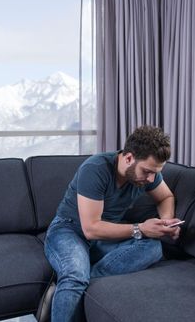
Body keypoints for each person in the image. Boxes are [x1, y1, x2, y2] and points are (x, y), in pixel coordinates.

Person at [44, 125, 181, 321]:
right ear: (128, 158)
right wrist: (141, 228)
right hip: (69, 230)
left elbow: (165, 197)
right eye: (147, 171)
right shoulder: (95, 169)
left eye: (156, 172)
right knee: (75, 274)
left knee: (153, 248)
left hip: (106, 236)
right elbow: (91, 229)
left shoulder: (148, 173)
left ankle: (77, 283)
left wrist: (165, 222)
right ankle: (74, 281)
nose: (152, 178)